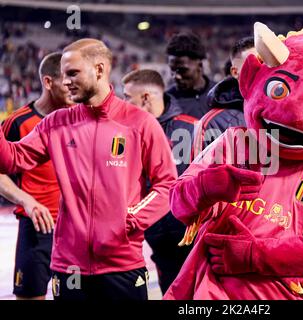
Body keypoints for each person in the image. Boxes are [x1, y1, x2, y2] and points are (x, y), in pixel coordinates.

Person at [164, 23, 303, 300]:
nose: (297, 114)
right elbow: (178, 204)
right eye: (280, 90)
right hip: (210, 292)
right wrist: (208, 186)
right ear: (250, 80)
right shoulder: (234, 142)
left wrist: (254, 255)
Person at [0, 38, 177, 300]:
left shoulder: (140, 123)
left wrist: (130, 220)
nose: (66, 81)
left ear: (100, 69)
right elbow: (12, 159)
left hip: (123, 265)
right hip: (69, 267)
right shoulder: (56, 123)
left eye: (73, 73)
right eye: (63, 75)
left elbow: (167, 184)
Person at [0, 52, 72, 300]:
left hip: (77, 229)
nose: (73, 86)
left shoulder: (83, 117)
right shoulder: (17, 123)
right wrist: (26, 201)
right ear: (48, 82)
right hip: (37, 228)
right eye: (67, 79)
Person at [122, 68, 197, 294]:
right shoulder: (124, 133)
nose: (123, 104)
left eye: (127, 97)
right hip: (155, 237)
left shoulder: (193, 128)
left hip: (190, 238)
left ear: (145, 98)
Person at [192, 37, 256, 157]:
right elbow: (198, 173)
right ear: (235, 72)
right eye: (251, 65)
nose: (260, 70)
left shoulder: (282, 113)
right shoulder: (212, 123)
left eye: (265, 64)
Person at [166, 32, 216, 119]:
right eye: (172, 70)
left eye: (182, 70)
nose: (176, 76)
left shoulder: (220, 95)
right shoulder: (167, 101)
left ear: (199, 65)